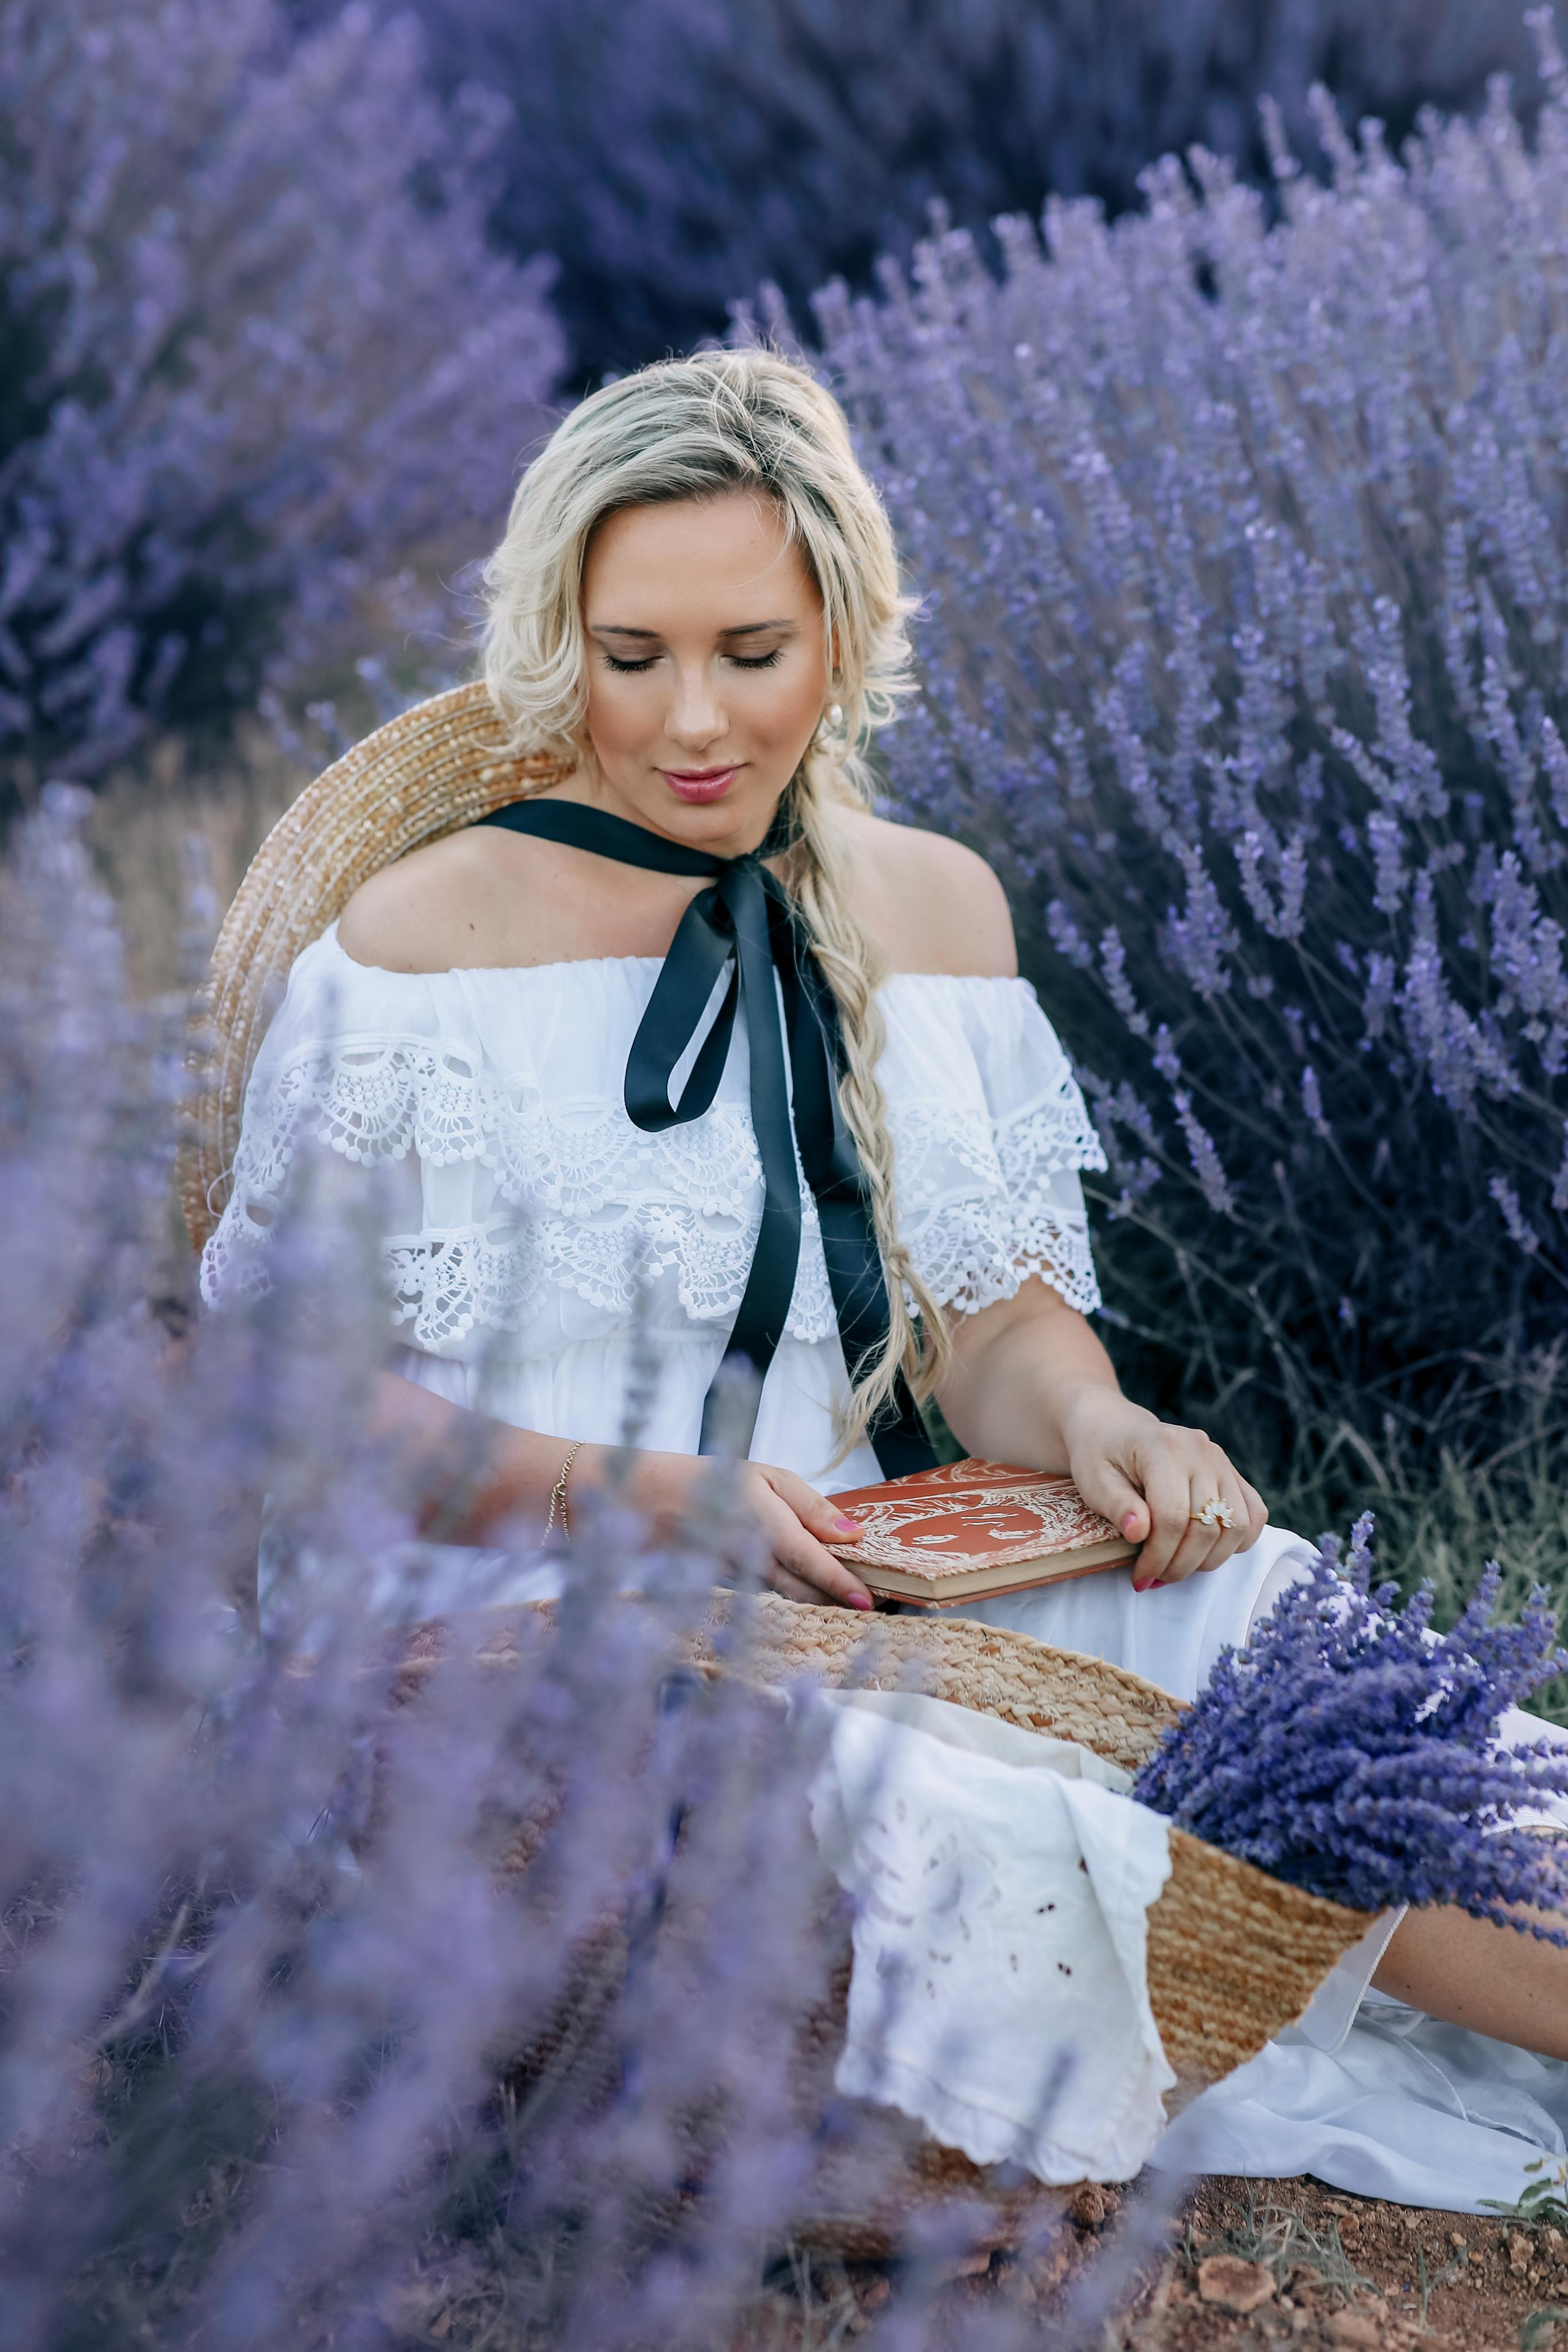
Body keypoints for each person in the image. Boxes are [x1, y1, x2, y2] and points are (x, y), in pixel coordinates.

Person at [205, 349, 1568, 2206]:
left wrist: (1101, 1421)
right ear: (558, 641)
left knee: (1283, 1643)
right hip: (509, 1625)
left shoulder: (935, 907)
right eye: (632, 655)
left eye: (750, 651)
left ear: (843, 628)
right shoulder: (417, 941)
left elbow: (992, 1322)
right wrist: (647, 1495)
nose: (692, 717)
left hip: (859, 1565)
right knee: (968, 1812)